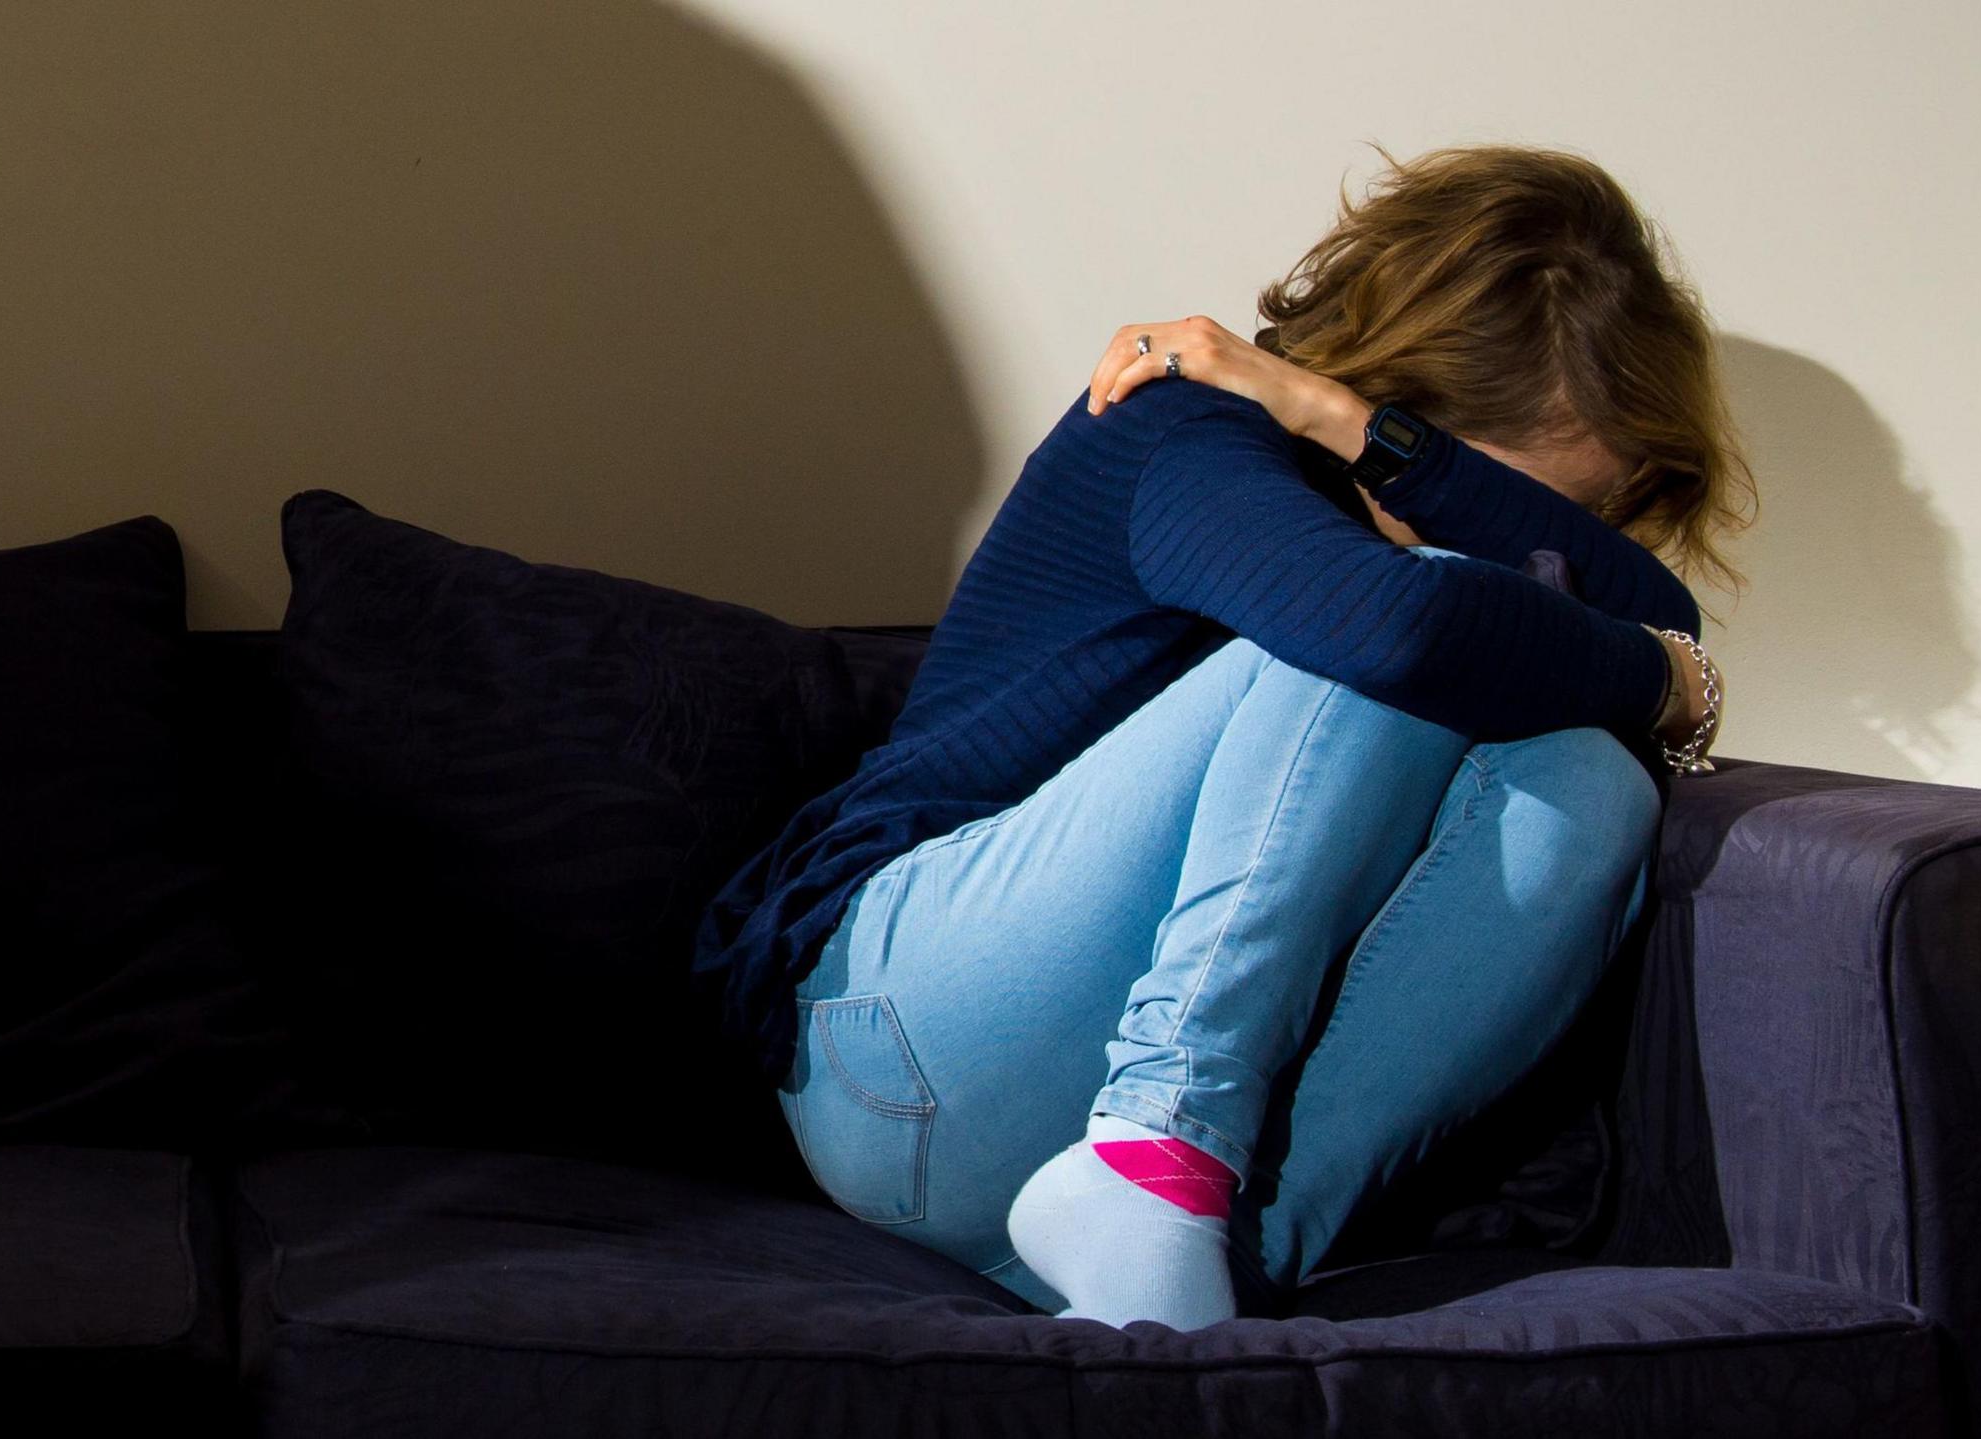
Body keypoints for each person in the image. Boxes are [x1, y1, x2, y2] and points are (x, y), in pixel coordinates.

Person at [689, 141, 1753, 1330]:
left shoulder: (1356, 445)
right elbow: (1412, 632)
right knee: (1393, 634)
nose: (1540, 561)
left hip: (1055, 1165)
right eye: (1535, 501)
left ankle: (1202, 1271)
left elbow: (1656, 617)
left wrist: (1368, 433)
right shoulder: (1177, 427)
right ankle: (1159, 1156)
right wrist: (1660, 674)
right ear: (1409, 391)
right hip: (902, 1041)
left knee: (1590, 782)